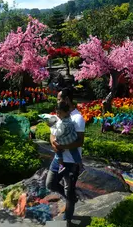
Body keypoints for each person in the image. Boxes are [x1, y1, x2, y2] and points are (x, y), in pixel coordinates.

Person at [46, 88, 85, 226]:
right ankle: (72, 198)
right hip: (58, 158)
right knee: (50, 183)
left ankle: (67, 221)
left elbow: (80, 141)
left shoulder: (77, 118)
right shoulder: (58, 113)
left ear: (67, 99)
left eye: (59, 99)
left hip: (71, 161)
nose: (57, 102)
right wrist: (53, 143)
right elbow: (51, 132)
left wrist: (62, 147)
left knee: (69, 190)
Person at [52, 101, 78, 173]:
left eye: (59, 113)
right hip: (72, 139)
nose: (57, 115)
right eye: (57, 112)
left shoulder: (62, 122)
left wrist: (53, 128)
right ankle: (79, 165)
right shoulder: (70, 118)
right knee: (74, 151)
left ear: (66, 112)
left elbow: (58, 132)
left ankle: (61, 165)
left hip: (64, 141)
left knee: (57, 148)